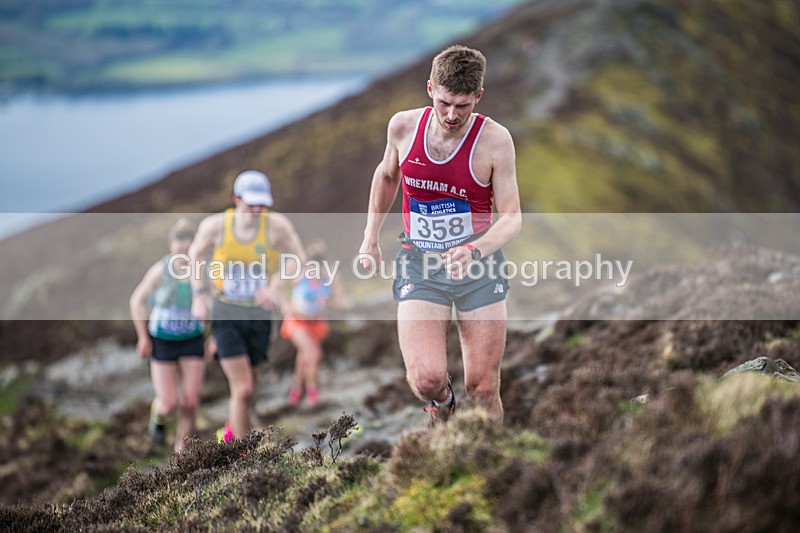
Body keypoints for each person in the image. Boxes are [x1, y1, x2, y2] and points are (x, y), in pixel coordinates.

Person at [358, 45, 521, 424]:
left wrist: (475, 251)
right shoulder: (402, 127)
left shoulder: (496, 141)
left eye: (463, 106)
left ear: (478, 96)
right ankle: (444, 409)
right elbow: (386, 176)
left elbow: (512, 218)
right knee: (427, 379)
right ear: (429, 88)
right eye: (445, 103)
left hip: (478, 269)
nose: (451, 115)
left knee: (482, 388)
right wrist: (370, 238)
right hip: (420, 263)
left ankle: (489, 462)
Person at [189, 170, 305, 440]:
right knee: (241, 389)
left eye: (261, 203)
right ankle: (241, 452)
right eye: (251, 202)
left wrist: (275, 287)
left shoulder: (276, 226)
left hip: (259, 314)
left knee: (250, 387)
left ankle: (230, 432)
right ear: (236, 198)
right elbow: (194, 254)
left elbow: (298, 258)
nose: (256, 209)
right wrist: (198, 295)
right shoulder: (215, 226)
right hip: (225, 311)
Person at [130, 218, 207, 452]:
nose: (183, 250)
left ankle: (181, 453)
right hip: (162, 341)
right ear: (171, 245)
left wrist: (213, 337)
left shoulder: (202, 272)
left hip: (193, 340)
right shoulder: (159, 271)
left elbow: (215, 302)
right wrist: (143, 337)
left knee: (191, 403)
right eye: (179, 245)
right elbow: (136, 301)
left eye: (188, 246)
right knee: (170, 403)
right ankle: (158, 415)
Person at [281, 240, 344, 407]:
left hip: (316, 324)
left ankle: (295, 391)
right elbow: (278, 284)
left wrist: (327, 303)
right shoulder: (300, 275)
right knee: (314, 354)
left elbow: (339, 303)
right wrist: (287, 306)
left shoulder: (329, 278)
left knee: (304, 357)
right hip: (297, 322)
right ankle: (312, 393)